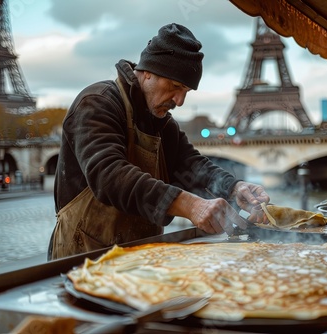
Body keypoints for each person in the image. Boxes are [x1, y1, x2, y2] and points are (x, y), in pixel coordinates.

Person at [48, 23, 270, 260]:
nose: (180, 100)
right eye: (175, 86)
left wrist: (234, 188)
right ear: (147, 72)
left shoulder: (164, 124)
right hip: (82, 258)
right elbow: (109, 176)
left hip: (140, 259)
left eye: (186, 91)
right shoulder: (96, 103)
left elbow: (193, 166)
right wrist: (191, 205)